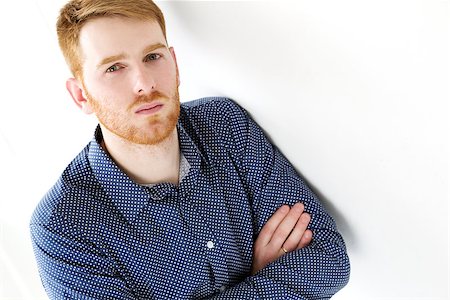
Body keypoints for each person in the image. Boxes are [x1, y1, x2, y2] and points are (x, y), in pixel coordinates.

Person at [30, 0, 350, 299]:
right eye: (114, 68)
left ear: (175, 64)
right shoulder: (63, 225)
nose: (144, 83)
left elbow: (329, 260)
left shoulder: (226, 125)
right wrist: (261, 281)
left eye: (152, 57)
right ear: (81, 95)